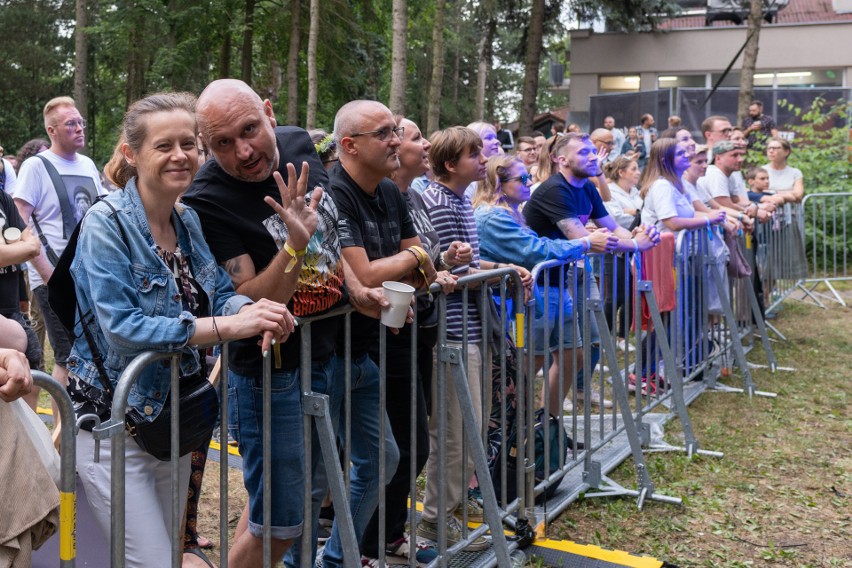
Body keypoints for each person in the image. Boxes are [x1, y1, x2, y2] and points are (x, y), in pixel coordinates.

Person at [68, 92, 295, 567]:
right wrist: (230, 324)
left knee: (167, 556)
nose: (180, 156)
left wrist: (262, 309)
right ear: (131, 154)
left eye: (188, 144)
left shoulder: (186, 218)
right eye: (163, 145)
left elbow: (218, 289)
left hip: (170, 422)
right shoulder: (104, 224)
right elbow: (123, 328)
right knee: (149, 560)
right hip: (113, 422)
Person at [184, 79, 382, 568]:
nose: (244, 151)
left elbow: (330, 230)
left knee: (292, 500)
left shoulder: (297, 142)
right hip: (269, 373)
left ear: (269, 113)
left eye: (249, 129)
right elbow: (248, 301)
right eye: (223, 143)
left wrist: (355, 287)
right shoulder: (207, 197)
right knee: (279, 521)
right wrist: (293, 246)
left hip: (327, 349)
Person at [328, 100, 443, 566]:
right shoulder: (337, 193)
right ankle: (360, 546)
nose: (396, 140)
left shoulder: (391, 193)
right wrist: (412, 262)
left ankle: (386, 535)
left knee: (412, 446)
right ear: (350, 146)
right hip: (347, 346)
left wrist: (410, 264)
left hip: (396, 335)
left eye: (397, 131)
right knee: (365, 461)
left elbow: (426, 264)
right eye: (385, 133)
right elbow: (365, 274)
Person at [418, 126, 529, 551]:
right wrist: (497, 274)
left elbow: (468, 260)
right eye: (474, 156)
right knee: (452, 430)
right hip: (453, 333)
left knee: (473, 426)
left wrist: (500, 266)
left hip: (474, 330)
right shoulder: (438, 202)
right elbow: (445, 272)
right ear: (451, 164)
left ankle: (457, 506)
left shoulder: (460, 199)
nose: (484, 162)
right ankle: (434, 520)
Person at [524, 133, 660, 410]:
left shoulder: (586, 187)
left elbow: (611, 228)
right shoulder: (554, 189)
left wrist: (635, 233)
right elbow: (582, 239)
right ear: (562, 159)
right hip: (537, 283)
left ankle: (547, 426)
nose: (595, 157)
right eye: (585, 152)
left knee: (576, 352)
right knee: (534, 359)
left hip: (563, 279)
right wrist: (634, 244)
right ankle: (513, 422)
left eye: (594, 152)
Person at [473, 154, 610, 416]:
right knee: (527, 362)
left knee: (573, 354)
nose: (530, 182)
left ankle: (548, 429)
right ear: (497, 183)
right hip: (521, 300)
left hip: (546, 290)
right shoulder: (493, 217)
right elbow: (535, 251)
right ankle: (518, 431)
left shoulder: (513, 213)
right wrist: (585, 242)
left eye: (530, 176)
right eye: (523, 178)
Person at [13, 96, 106, 432]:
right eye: (71, 124)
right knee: (66, 355)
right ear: (51, 130)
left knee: (85, 353)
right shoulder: (36, 167)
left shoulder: (88, 166)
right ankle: (61, 436)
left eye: (80, 121)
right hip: (52, 278)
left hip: (91, 276)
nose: (79, 128)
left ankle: (76, 430)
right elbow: (18, 223)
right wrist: (48, 275)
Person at [602, 157, 643, 350]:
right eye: (633, 169)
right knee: (615, 295)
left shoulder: (635, 192)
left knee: (630, 294)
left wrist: (634, 212)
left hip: (633, 247)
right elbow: (615, 218)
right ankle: (605, 336)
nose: (638, 172)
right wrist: (635, 212)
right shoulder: (610, 193)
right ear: (621, 172)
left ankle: (622, 337)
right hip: (615, 248)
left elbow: (643, 213)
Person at [762, 137, 803, 203]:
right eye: (769, 148)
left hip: (791, 212)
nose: (771, 151)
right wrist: (789, 195)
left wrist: (771, 192)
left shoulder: (795, 172)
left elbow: (798, 195)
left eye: (775, 148)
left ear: (786, 152)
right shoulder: (761, 170)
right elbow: (757, 192)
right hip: (767, 211)